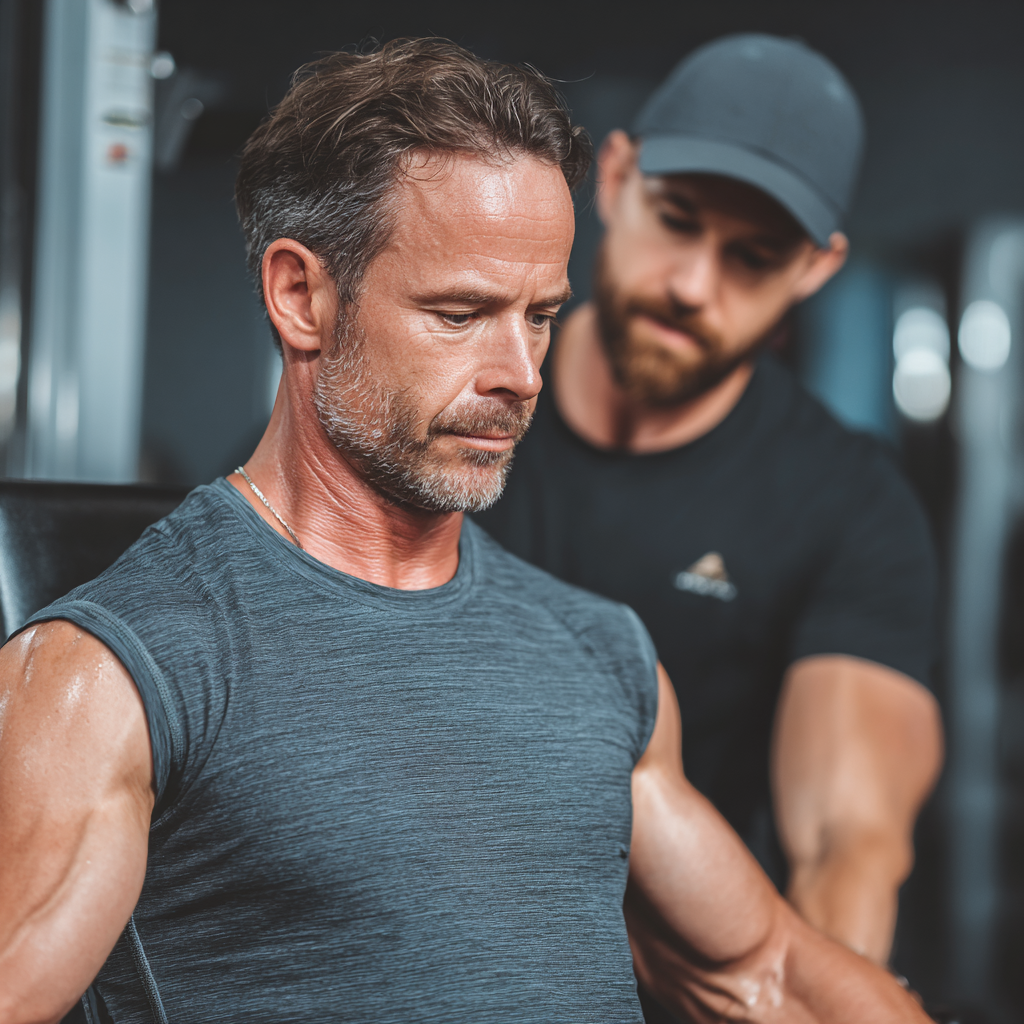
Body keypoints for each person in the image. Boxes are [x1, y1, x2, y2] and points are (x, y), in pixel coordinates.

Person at [0, 40, 928, 1024]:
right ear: (301, 296)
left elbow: (770, 976)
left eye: (539, 316)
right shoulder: (115, 673)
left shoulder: (600, 654)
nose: (520, 373)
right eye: (460, 313)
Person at [474, 32, 944, 979]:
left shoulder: (847, 502)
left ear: (812, 270)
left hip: (662, 985)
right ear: (612, 180)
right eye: (677, 219)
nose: (693, 285)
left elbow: (845, 844)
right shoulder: (449, 411)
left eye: (753, 258)